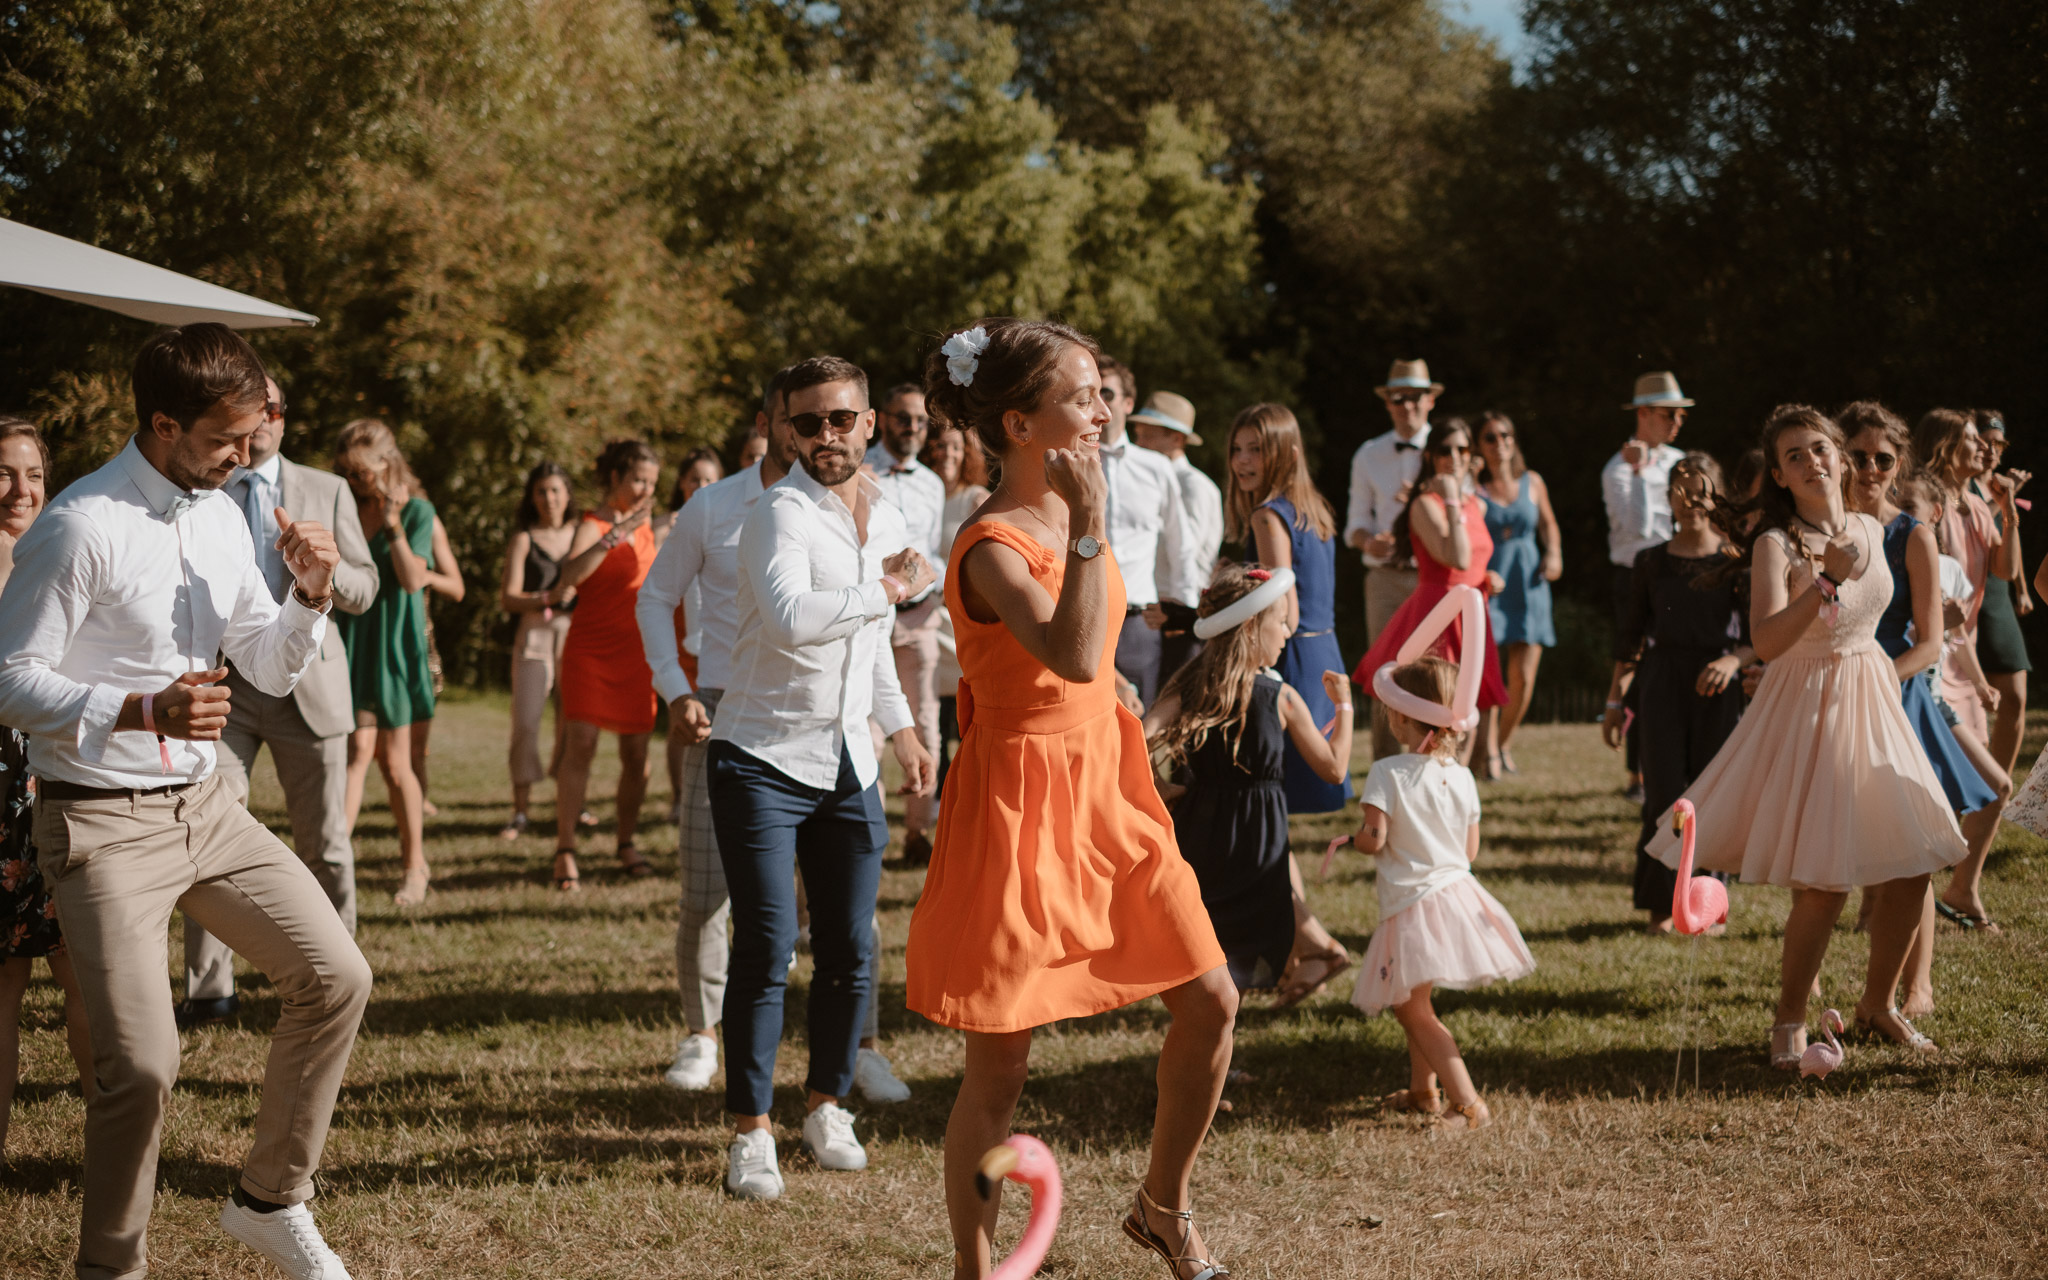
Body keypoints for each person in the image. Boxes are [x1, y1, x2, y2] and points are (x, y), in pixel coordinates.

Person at [0, 323, 370, 1280]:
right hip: (100, 824)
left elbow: (270, 669)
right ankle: (110, 1269)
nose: (246, 456)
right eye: (226, 439)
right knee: (144, 1070)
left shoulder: (216, 511)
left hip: (207, 811)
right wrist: (136, 707)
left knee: (337, 979)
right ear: (164, 424)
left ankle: (270, 1201)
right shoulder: (79, 525)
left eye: (253, 436)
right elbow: (8, 678)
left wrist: (312, 597)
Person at [905, 319, 1236, 1280]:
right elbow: (1072, 649)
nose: (1105, 409)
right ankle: (976, 1270)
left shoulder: (1073, 513)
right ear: (1020, 423)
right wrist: (1091, 527)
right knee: (1000, 1068)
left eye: (1104, 392)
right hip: (1017, 806)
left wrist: (1123, 698)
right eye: (1084, 396)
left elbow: (1093, 668)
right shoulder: (990, 543)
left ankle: (1161, 1208)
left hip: (1106, 788)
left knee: (1212, 1000)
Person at [1644, 405, 1966, 1065]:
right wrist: (1826, 579)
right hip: (1811, 703)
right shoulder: (1776, 543)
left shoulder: (1875, 530)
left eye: (1819, 448)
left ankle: (1880, 1006)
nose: (1812, 462)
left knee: (1912, 864)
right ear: (1781, 477)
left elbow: (1891, 625)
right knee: (1824, 882)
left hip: (1873, 693)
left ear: (1840, 456)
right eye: (1794, 456)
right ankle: (1789, 1018)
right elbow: (1766, 639)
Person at [707, 355, 936, 1201]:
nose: (826, 436)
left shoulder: (889, 512)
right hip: (760, 756)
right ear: (783, 430)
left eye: (842, 419)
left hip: (848, 757)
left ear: (870, 422)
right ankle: (751, 1132)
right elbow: (797, 620)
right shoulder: (776, 514)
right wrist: (888, 587)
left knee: (852, 947)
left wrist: (905, 729)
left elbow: (869, 644)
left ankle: (826, 1105)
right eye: (808, 422)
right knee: (769, 947)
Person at [180, 377, 381, 1026]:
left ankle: (336, 975)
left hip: (310, 688)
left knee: (324, 839)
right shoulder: (202, 487)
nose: (258, 422)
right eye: (248, 410)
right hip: (225, 691)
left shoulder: (328, 489)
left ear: (283, 419)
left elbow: (366, 587)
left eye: (269, 410)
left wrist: (323, 567)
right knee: (206, 833)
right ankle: (210, 991)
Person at [638, 373, 815, 1096]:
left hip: (811, 711)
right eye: (795, 419)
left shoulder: (843, 507)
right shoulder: (711, 506)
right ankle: (699, 1034)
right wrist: (675, 690)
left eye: (826, 420)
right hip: (718, 704)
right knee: (706, 889)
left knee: (832, 896)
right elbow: (655, 600)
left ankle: (853, 1049)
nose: (811, 433)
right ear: (767, 421)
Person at [1842, 406, 2008, 1014]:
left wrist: (1881, 674)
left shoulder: (1910, 534)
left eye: (1883, 459)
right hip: (1831, 694)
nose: (1869, 468)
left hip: (1896, 693)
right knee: (1829, 847)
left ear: (1899, 465)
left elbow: (1933, 641)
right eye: (1857, 456)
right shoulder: (1819, 529)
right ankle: (1802, 1003)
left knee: (1913, 852)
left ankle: (1917, 987)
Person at [1143, 564, 1353, 992]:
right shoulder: (1282, 698)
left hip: (1200, 831)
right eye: (1279, 623)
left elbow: (1137, 738)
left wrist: (1160, 788)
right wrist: (1344, 707)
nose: (1287, 634)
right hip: (1261, 838)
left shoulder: (1190, 685)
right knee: (1255, 931)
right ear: (1252, 627)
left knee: (1208, 936)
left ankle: (1218, 1018)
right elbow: (1334, 769)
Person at [1348, 656, 1534, 1129]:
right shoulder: (1464, 777)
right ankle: (1422, 1091)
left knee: (1410, 1010)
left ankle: (1468, 1103)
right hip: (1455, 898)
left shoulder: (1387, 773)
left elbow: (1374, 840)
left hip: (1412, 904)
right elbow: (1469, 848)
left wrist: (1353, 839)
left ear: (1401, 716)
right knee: (1419, 998)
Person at [1601, 454, 1751, 933]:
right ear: (1668, 498)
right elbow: (1631, 637)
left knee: (1710, 797)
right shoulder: (1651, 561)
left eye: (1702, 491)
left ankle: (1709, 904)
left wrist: (1734, 661)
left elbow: (1758, 635)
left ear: (1718, 497)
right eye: (1681, 491)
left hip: (1718, 685)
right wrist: (1613, 701)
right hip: (1661, 684)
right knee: (1664, 794)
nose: (1692, 502)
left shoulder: (1736, 560)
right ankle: (1662, 906)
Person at [0, 417, 94, 1160]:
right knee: (3, 982)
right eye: (3, 472)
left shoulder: (61, 547)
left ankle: (112, 1140)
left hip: (64, 780)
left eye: (32, 473)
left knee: (86, 969)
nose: (19, 489)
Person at [335, 418, 457, 907]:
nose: (358, 479)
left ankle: (415, 866)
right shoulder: (341, 503)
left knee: (395, 763)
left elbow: (410, 580)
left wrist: (392, 523)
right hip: (349, 639)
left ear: (388, 463)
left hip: (392, 643)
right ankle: (334, 860)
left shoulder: (419, 511)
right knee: (356, 753)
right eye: (350, 470)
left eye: (364, 470)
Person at [1350, 419, 1508, 754]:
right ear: (1430, 458)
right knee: (1433, 707)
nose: (1454, 457)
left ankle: (1455, 793)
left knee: (1466, 706)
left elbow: (1475, 560)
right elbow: (1457, 557)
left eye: (1462, 449)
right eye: (1444, 450)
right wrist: (1451, 499)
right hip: (1438, 615)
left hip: (1473, 615)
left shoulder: (1476, 505)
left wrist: (1490, 579)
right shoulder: (1425, 505)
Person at [549, 439, 664, 889]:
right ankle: (565, 848)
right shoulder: (593, 524)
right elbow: (571, 576)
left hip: (637, 653)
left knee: (637, 754)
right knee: (581, 744)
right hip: (590, 651)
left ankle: (626, 841)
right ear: (615, 478)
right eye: (638, 479)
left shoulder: (651, 527)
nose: (644, 490)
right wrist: (615, 534)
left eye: (652, 483)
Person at [865, 382, 949, 866]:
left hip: (919, 620)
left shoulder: (932, 484)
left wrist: (932, 580)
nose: (913, 428)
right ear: (882, 420)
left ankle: (917, 832)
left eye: (920, 420)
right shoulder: (863, 471)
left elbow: (929, 547)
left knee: (925, 725)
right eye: (903, 418)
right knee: (872, 731)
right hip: (872, 615)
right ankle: (871, 831)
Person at [1603, 372, 1692, 802]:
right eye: (1669, 414)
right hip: (1635, 574)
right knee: (1637, 668)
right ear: (1643, 414)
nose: (1677, 422)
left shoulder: (1680, 459)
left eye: (1680, 415)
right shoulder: (1618, 469)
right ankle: (1636, 773)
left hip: (1677, 570)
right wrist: (1639, 473)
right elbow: (1637, 528)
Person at [1093, 356, 1202, 709]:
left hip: (1138, 623)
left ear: (1127, 403)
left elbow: (1180, 544)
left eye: (1106, 393)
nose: (1099, 402)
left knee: (1139, 732)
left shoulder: (1156, 468)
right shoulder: (1067, 461)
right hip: (1083, 614)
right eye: (1089, 393)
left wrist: (1181, 614)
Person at [1474, 411, 1561, 778]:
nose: (1500, 443)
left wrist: (1554, 553)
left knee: (1523, 677)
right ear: (1479, 445)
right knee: (1490, 673)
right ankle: (1488, 751)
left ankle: (1504, 742)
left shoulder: (1534, 481)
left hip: (1529, 582)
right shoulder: (1474, 488)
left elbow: (1548, 524)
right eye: (1490, 437)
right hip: (1491, 582)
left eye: (1505, 435)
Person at [497, 462, 579, 841]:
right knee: (526, 725)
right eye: (542, 491)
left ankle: (573, 802)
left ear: (568, 494)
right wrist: (546, 597)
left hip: (576, 636)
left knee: (572, 724)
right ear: (533, 497)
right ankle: (521, 811)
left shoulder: (583, 535)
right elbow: (508, 598)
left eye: (556, 490)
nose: (549, 499)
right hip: (534, 636)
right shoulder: (524, 539)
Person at [1346, 359, 1441, 646]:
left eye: (1415, 397)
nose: (1407, 406)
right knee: (1383, 670)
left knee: (1433, 670)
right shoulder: (1368, 454)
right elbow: (1356, 523)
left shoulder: (1449, 449)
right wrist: (1369, 543)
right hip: (1384, 577)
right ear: (1388, 403)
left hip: (1434, 574)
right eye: (1399, 398)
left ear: (1431, 400)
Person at [1129, 391, 1223, 678]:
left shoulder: (1193, 486)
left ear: (1177, 439)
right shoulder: (1152, 482)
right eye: (1138, 434)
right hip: (1157, 616)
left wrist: (1176, 614)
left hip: (1181, 619)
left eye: (1149, 435)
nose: (1139, 443)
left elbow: (1188, 555)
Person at [924, 420, 991, 804]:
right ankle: (937, 794)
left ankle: (969, 791)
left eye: (954, 447)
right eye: (939, 447)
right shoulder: (924, 494)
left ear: (967, 454)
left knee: (965, 711)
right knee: (932, 711)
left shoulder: (975, 498)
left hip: (957, 620)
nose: (946, 454)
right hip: (926, 618)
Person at [1966, 409, 2030, 780]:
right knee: (1970, 700)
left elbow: (2010, 549)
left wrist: (2021, 590)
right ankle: (1970, 786)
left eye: (1998, 443)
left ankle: (1999, 783)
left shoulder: (2002, 484)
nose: (1991, 450)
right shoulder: (1962, 486)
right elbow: (1979, 529)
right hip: (1972, 595)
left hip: (1999, 596)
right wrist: (2008, 500)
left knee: (2017, 697)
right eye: (1984, 442)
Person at [661, 447, 724, 822]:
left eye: (709, 479)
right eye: (694, 479)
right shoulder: (670, 523)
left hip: (715, 631)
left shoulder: (734, 515)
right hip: (679, 629)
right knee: (680, 719)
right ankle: (679, 796)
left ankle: (710, 796)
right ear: (682, 485)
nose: (701, 486)